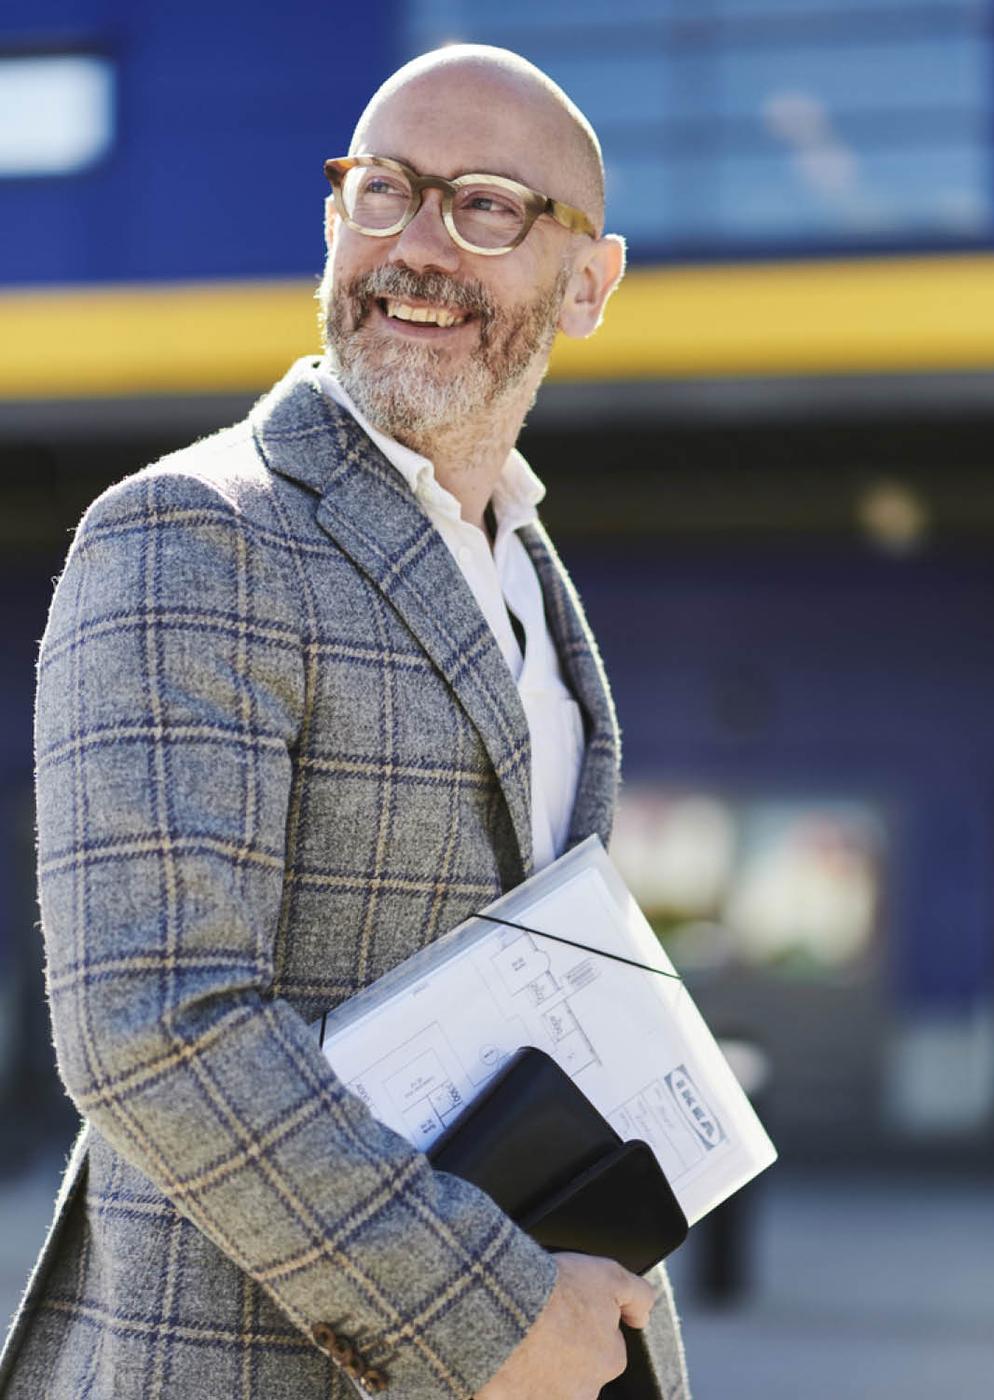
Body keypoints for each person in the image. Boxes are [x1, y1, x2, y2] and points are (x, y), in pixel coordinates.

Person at [0, 45, 689, 1400]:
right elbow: (152, 1025)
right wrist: (491, 1318)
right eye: (383, 192)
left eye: (486, 205)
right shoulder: (191, 535)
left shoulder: (527, 578)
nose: (418, 246)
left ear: (590, 283)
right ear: (331, 227)